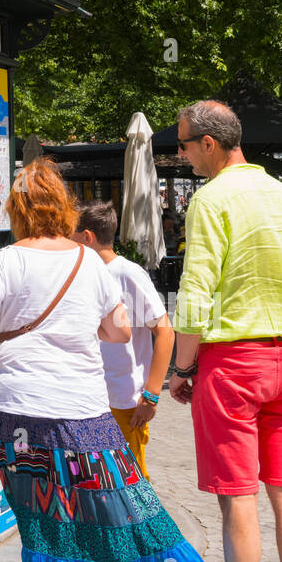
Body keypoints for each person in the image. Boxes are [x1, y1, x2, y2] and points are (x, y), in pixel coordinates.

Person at [0, 159, 232, 562]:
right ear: (63, 206)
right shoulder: (89, 260)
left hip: (24, 413)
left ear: (17, 210)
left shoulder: (7, 259)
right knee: (106, 516)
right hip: (86, 411)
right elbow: (121, 330)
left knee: (43, 525)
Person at [170, 101, 282, 562]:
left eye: (181, 145)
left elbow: (195, 291)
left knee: (237, 500)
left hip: (235, 361)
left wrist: (180, 368)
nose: (179, 155)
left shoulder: (212, 199)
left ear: (208, 144)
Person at [74, 200, 174, 479]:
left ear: (87, 237)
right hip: (92, 397)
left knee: (130, 486)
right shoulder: (84, 273)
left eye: (69, 234)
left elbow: (165, 330)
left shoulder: (128, 274)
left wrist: (151, 395)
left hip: (124, 402)